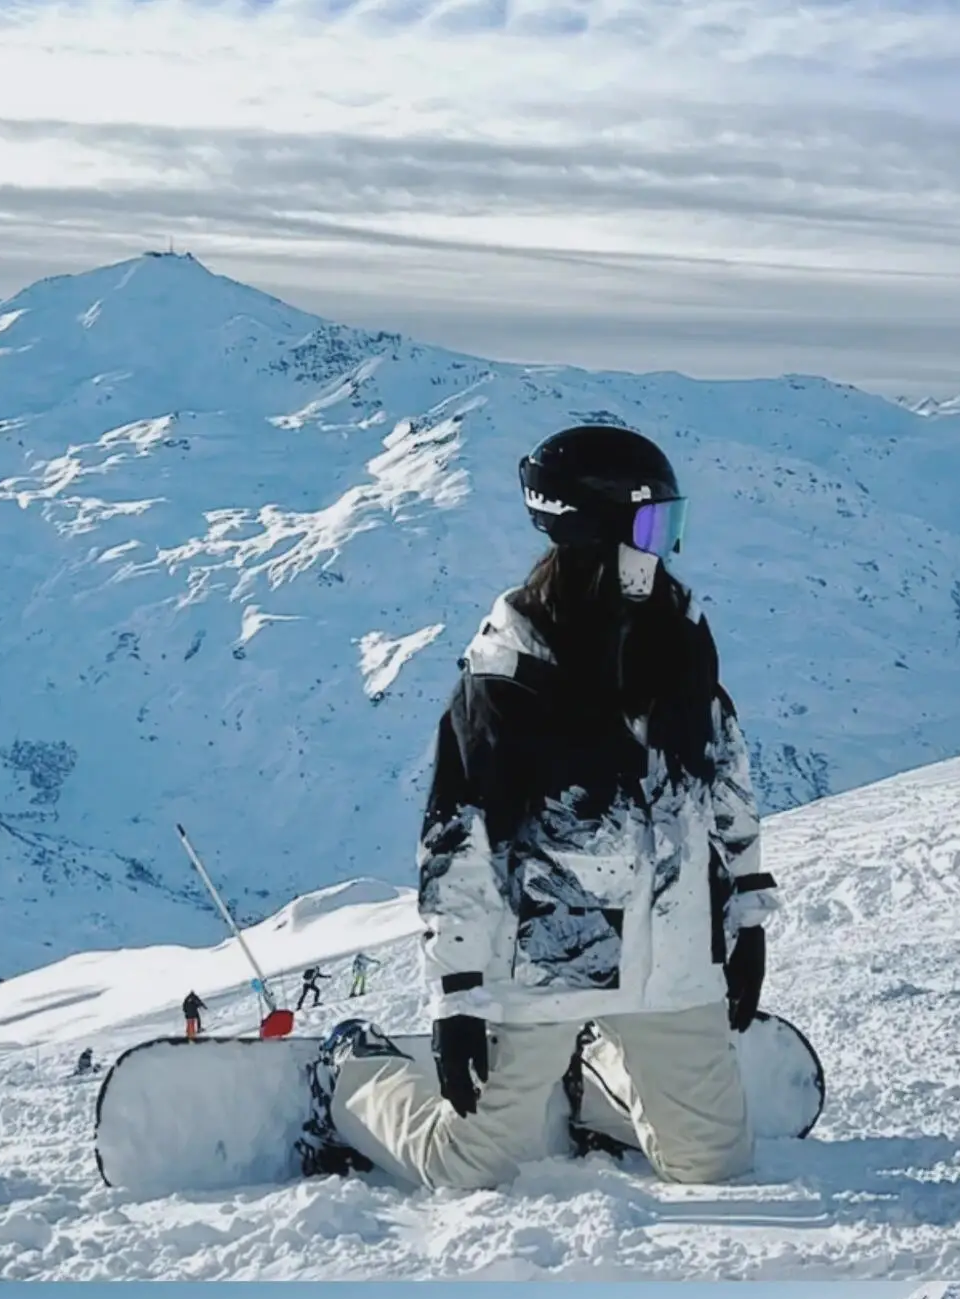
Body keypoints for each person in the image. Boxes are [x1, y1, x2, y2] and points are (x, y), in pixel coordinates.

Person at [310, 426, 777, 1192]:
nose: (667, 545)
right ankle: (357, 1072)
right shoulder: (510, 673)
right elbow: (459, 842)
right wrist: (458, 992)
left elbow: (721, 767)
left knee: (716, 1173)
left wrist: (748, 908)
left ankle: (599, 1072)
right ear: (595, 527)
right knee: (465, 1174)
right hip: (549, 960)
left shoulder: (681, 633)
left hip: (674, 955)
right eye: (654, 523)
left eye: (671, 523)